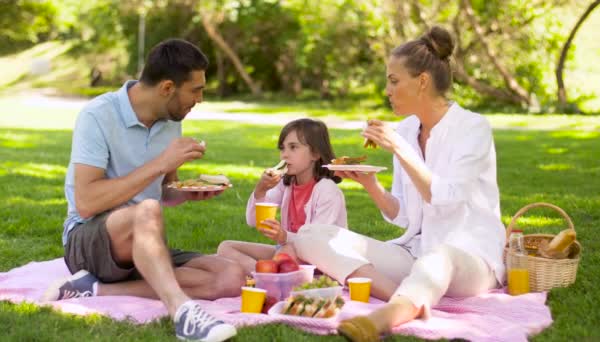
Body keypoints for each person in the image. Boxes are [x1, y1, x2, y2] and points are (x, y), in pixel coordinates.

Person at [292, 26, 505, 341]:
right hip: (416, 254)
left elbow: (444, 196)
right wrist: (371, 185)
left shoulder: (473, 128)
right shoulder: (406, 131)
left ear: (422, 82)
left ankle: (385, 318)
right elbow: (404, 216)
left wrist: (400, 149)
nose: (387, 91)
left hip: (470, 258)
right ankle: (407, 298)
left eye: (394, 81)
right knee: (309, 235)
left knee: (440, 257)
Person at [43, 39, 245, 342]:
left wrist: (187, 192)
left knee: (232, 277)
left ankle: (94, 289)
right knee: (147, 211)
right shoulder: (98, 116)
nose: (200, 99)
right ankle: (182, 314)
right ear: (166, 88)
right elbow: (86, 203)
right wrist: (161, 163)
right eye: (196, 90)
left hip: (145, 240)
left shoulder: (170, 121)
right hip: (88, 240)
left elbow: (164, 191)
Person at [217, 118, 347, 274]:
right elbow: (253, 221)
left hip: (322, 257)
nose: (284, 155)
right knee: (226, 247)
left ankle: (265, 274)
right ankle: (263, 274)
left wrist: (284, 236)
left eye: (293, 147)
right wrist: (261, 190)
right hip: (286, 250)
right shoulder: (285, 184)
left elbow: (316, 242)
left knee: (284, 253)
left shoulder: (327, 190)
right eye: (282, 148)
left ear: (315, 153)